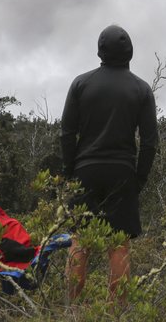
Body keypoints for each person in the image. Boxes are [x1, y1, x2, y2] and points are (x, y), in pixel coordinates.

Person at [60, 24, 158, 303]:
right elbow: (150, 142)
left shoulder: (81, 83)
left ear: (100, 51)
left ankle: (72, 313)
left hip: (85, 170)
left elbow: (67, 133)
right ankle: (117, 317)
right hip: (122, 171)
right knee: (118, 244)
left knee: (80, 240)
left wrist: (70, 172)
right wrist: (139, 179)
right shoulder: (141, 89)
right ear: (129, 52)